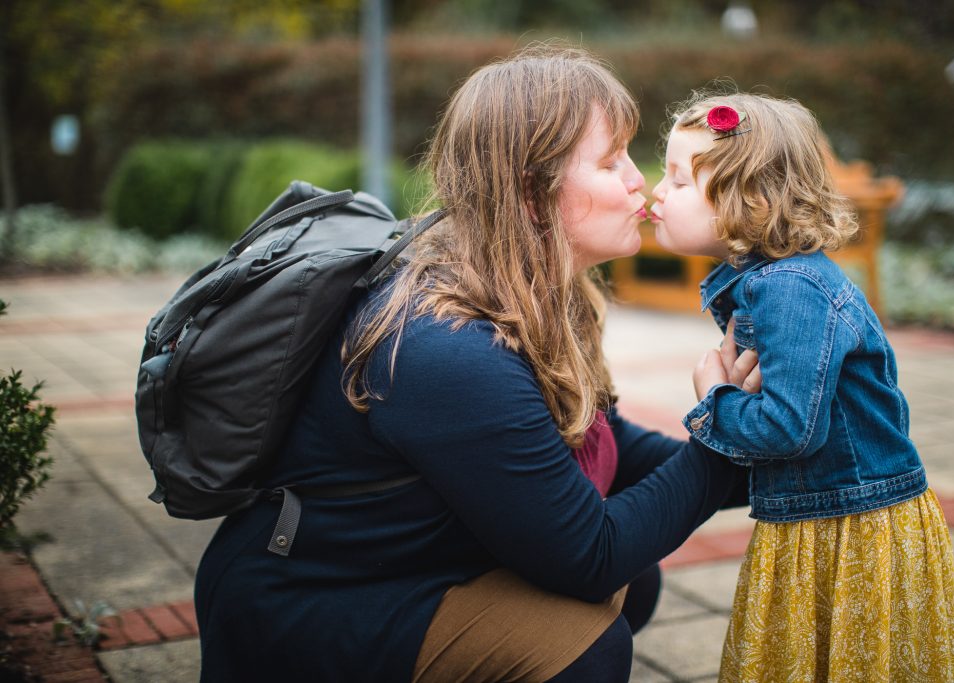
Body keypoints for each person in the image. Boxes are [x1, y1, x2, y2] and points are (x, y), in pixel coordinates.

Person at [194, 47, 759, 683]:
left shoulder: (542, 292)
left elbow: (607, 443)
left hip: (410, 562)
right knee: (584, 642)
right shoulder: (445, 346)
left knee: (641, 577)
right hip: (310, 605)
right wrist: (722, 441)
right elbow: (589, 556)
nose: (639, 180)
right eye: (609, 161)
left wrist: (772, 460)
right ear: (530, 192)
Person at [649, 91, 954, 681]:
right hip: (828, 513)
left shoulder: (789, 288)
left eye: (677, 180)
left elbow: (788, 428)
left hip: (851, 524)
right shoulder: (772, 279)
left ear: (752, 201)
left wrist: (712, 401)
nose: (657, 193)